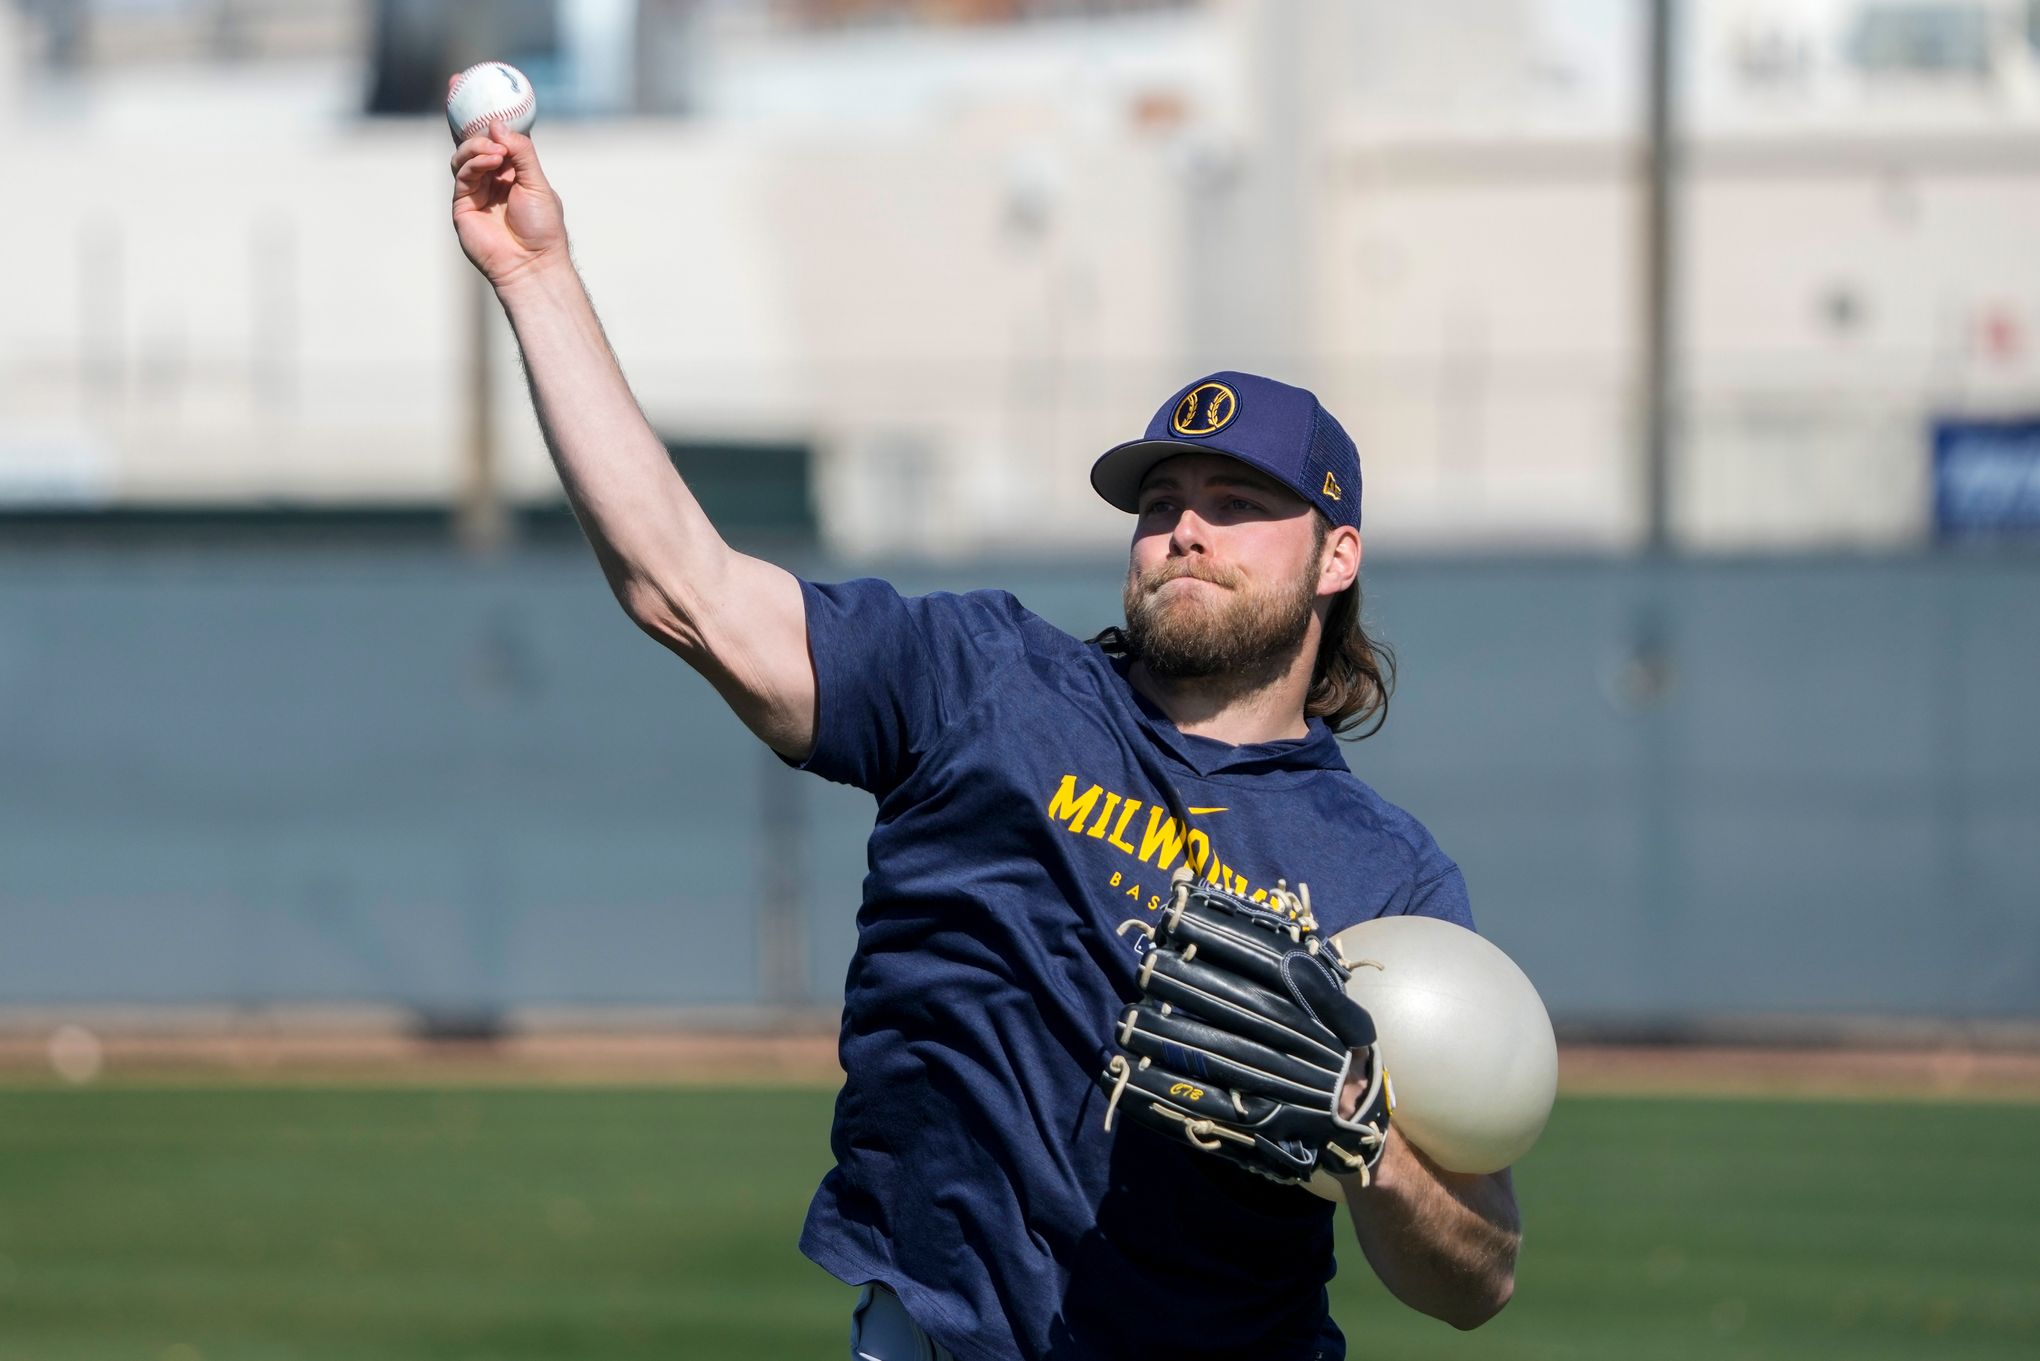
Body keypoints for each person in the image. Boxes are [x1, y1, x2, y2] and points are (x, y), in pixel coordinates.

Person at [449, 123, 1521, 1361]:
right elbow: (683, 587)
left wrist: (1363, 1136)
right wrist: (537, 278)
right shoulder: (986, 683)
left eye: (1236, 505)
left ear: (1338, 555)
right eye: (1161, 501)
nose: (1183, 529)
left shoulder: (1387, 879)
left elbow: (1477, 1272)